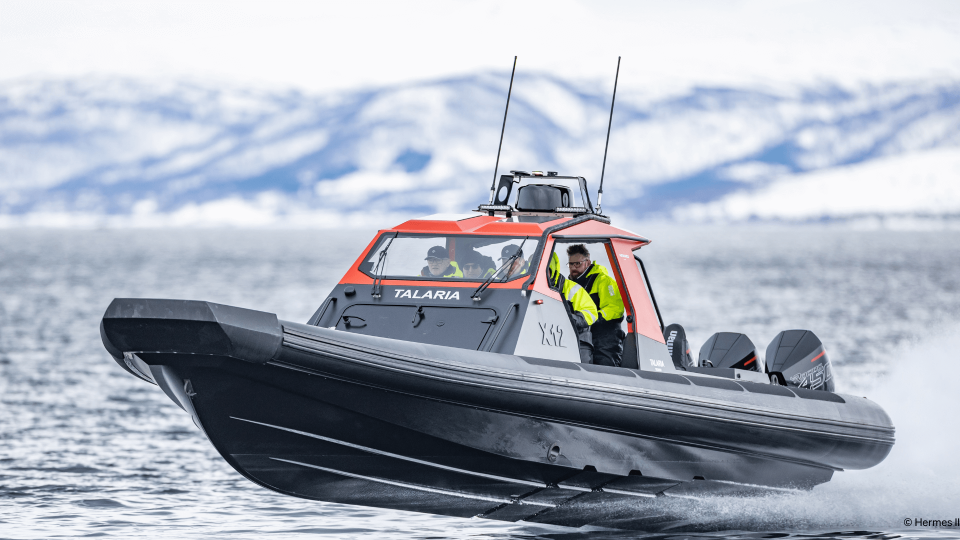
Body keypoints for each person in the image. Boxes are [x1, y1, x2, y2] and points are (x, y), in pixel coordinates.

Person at [567, 244, 626, 367]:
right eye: (571, 264)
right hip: (583, 337)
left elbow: (615, 309)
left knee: (606, 367)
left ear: (587, 262)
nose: (573, 267)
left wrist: (590, 318)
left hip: (605, 338)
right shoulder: (569, 285)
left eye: (577, 264)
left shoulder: (604, 281)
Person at [548, 252, 598, 363]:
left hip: (578, 340)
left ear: (551, 268)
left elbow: (591, 313)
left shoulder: (573, 288)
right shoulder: (534, 289)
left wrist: (568, 318)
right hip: (552, 340)